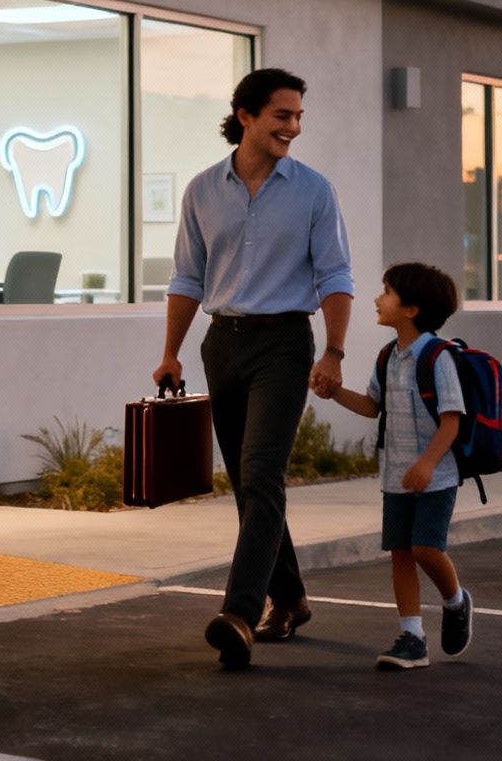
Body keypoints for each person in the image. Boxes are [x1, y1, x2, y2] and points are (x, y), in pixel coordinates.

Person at [154, 67, 353, 670]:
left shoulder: (314, 191)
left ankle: (239, 612)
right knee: (247, 483)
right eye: (281, 117)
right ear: (245, 116)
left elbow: (335, 276)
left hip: (284, 344)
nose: (292, 128)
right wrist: (172, 351)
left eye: (297, 118)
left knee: (263, 472)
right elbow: (188, 278)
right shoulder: (202, 190)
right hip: (223, 344)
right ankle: (290, 597)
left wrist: (334, 353)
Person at [315, 261, 474, 670]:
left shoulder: (438, 357)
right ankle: (412, 637)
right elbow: (372, 406)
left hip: (435, 476)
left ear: (411, 309)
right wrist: (335, 394)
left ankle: (456, 600)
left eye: (386, 291)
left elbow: (452, 419)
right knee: (400, 553)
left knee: (424, 547)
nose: (376, 298)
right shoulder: (388, 357)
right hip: (396, 475)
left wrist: (427, 463)